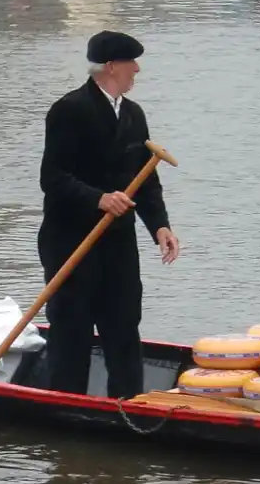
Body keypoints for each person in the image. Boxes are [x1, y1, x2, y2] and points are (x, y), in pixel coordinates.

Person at [36, 31, 180, 399]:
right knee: (73, 329)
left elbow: (146, 181)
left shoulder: (133, 115)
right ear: (112, 66)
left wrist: (160, 226)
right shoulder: (69, 110)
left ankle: (127, 405)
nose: (137, 70)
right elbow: (52, 179)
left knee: (123, 325)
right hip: (71, 240)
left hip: (117, 242)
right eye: (132, 63)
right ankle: (65, 408)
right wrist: (98, 199)